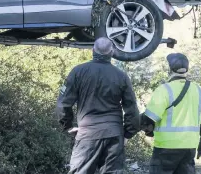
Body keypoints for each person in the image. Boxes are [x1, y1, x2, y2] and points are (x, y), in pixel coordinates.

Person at [57, 37, 140, 174]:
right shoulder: (121, 76)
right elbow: (132, 108)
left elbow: (62, 104)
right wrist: (128, 133)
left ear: (93, 50)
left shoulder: (78, 72)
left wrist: (67, 126)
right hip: (114, 135)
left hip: (87, 135)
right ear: (111, 52)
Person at [141, 53, 201, 174]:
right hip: (189, 148)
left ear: (170, 69)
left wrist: (148, 132)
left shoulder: (164, 90)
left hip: (165, 148)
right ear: (186, 69)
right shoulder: (199, 91)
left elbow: (148, 119)